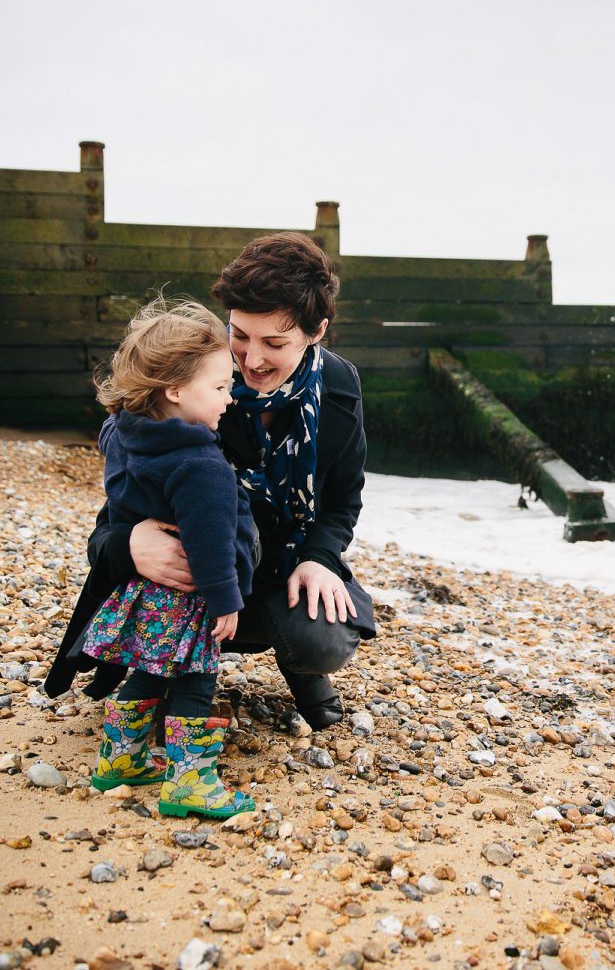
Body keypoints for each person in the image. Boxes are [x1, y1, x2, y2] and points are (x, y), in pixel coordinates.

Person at [47, 231, 377, 739]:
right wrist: (130, 543)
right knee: (166, 579)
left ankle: (301, 669)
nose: (252, 360)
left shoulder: (337, 387)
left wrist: (321, 558)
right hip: (195, 571)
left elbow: (342, 499)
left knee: (322, 639)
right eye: (239, 335)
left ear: (317, 332)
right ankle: (156, 676)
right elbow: (116, 512)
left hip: (275, 563)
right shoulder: (192, 386)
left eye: (275, 342)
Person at [81, 297, 257, 819]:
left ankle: (122, 758)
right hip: (189, 592)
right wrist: (226, 600)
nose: (231, 397)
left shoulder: (123, 432)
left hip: (145, 590)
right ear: (175, 390)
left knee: (152, 671)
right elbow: (211, 541)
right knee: (197, 679)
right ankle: (191, 781)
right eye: (222, 387)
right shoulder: (201, 465)